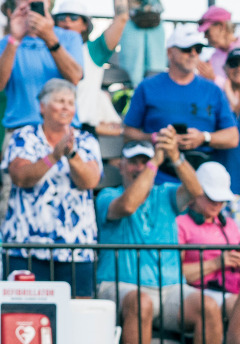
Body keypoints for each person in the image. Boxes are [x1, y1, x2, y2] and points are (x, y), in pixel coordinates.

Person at [96, 139, 221, 343]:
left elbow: (196, 192)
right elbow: (128, 205)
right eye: (133, 162)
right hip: (119, 285)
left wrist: (175, 155)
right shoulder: (107, 195)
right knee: (141, 303)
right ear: (121, 166)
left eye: (144, 162)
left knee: (208, 307)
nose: (140, 168)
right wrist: (154, 162)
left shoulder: (165, 193)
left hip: (170, 288)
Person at [1, 79, 101, 297]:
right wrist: (53, 156)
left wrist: (71, 154)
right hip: (26, 248)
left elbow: (90, 181)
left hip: (75, 250)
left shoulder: (86, 140)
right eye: (59, 101)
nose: (66, 107)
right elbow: (20, 177)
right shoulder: (24, 137)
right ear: (42, 107)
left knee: (77, 311)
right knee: (26, 314)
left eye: (70, 102)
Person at [122, 26, 239, 182]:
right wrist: (155, 137)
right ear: (170, 52)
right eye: (186, 49)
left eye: (198, 49)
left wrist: (203, 137)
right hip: (160, 174)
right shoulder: (147, 87)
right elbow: (128, 132)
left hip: (202, 175)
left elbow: (232, 137)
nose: (193, 54)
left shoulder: (213, 90)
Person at [0, 0, 83, 131]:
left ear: (48, 2)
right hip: (19, 130)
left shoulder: (70, 38)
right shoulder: (5, 43)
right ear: (15, 6)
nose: (30, 1)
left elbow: (75, 77)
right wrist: (15, 39)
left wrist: (49, 37)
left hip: (63, 130)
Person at [54, 0, 130, 142]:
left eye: (74, 18)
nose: (67, 22)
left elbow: (122, 18)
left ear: (84, 25)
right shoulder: (45, 49)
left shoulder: (92, 50)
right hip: (50, 130)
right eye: (61, 18)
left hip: (82, 132)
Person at [177, 162, 240, 315]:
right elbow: (174, 274)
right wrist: (217, 263)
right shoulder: (180, 224)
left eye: (221, 199)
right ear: (195, 193)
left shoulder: (230, 224)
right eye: (212, 198)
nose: (217, 204)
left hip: (233, 289)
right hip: (199, 294)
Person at [200, 6, 239, 85]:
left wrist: (214, 78)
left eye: (207, 31)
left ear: (221, 26)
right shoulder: (213, 58)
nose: (205, 36)